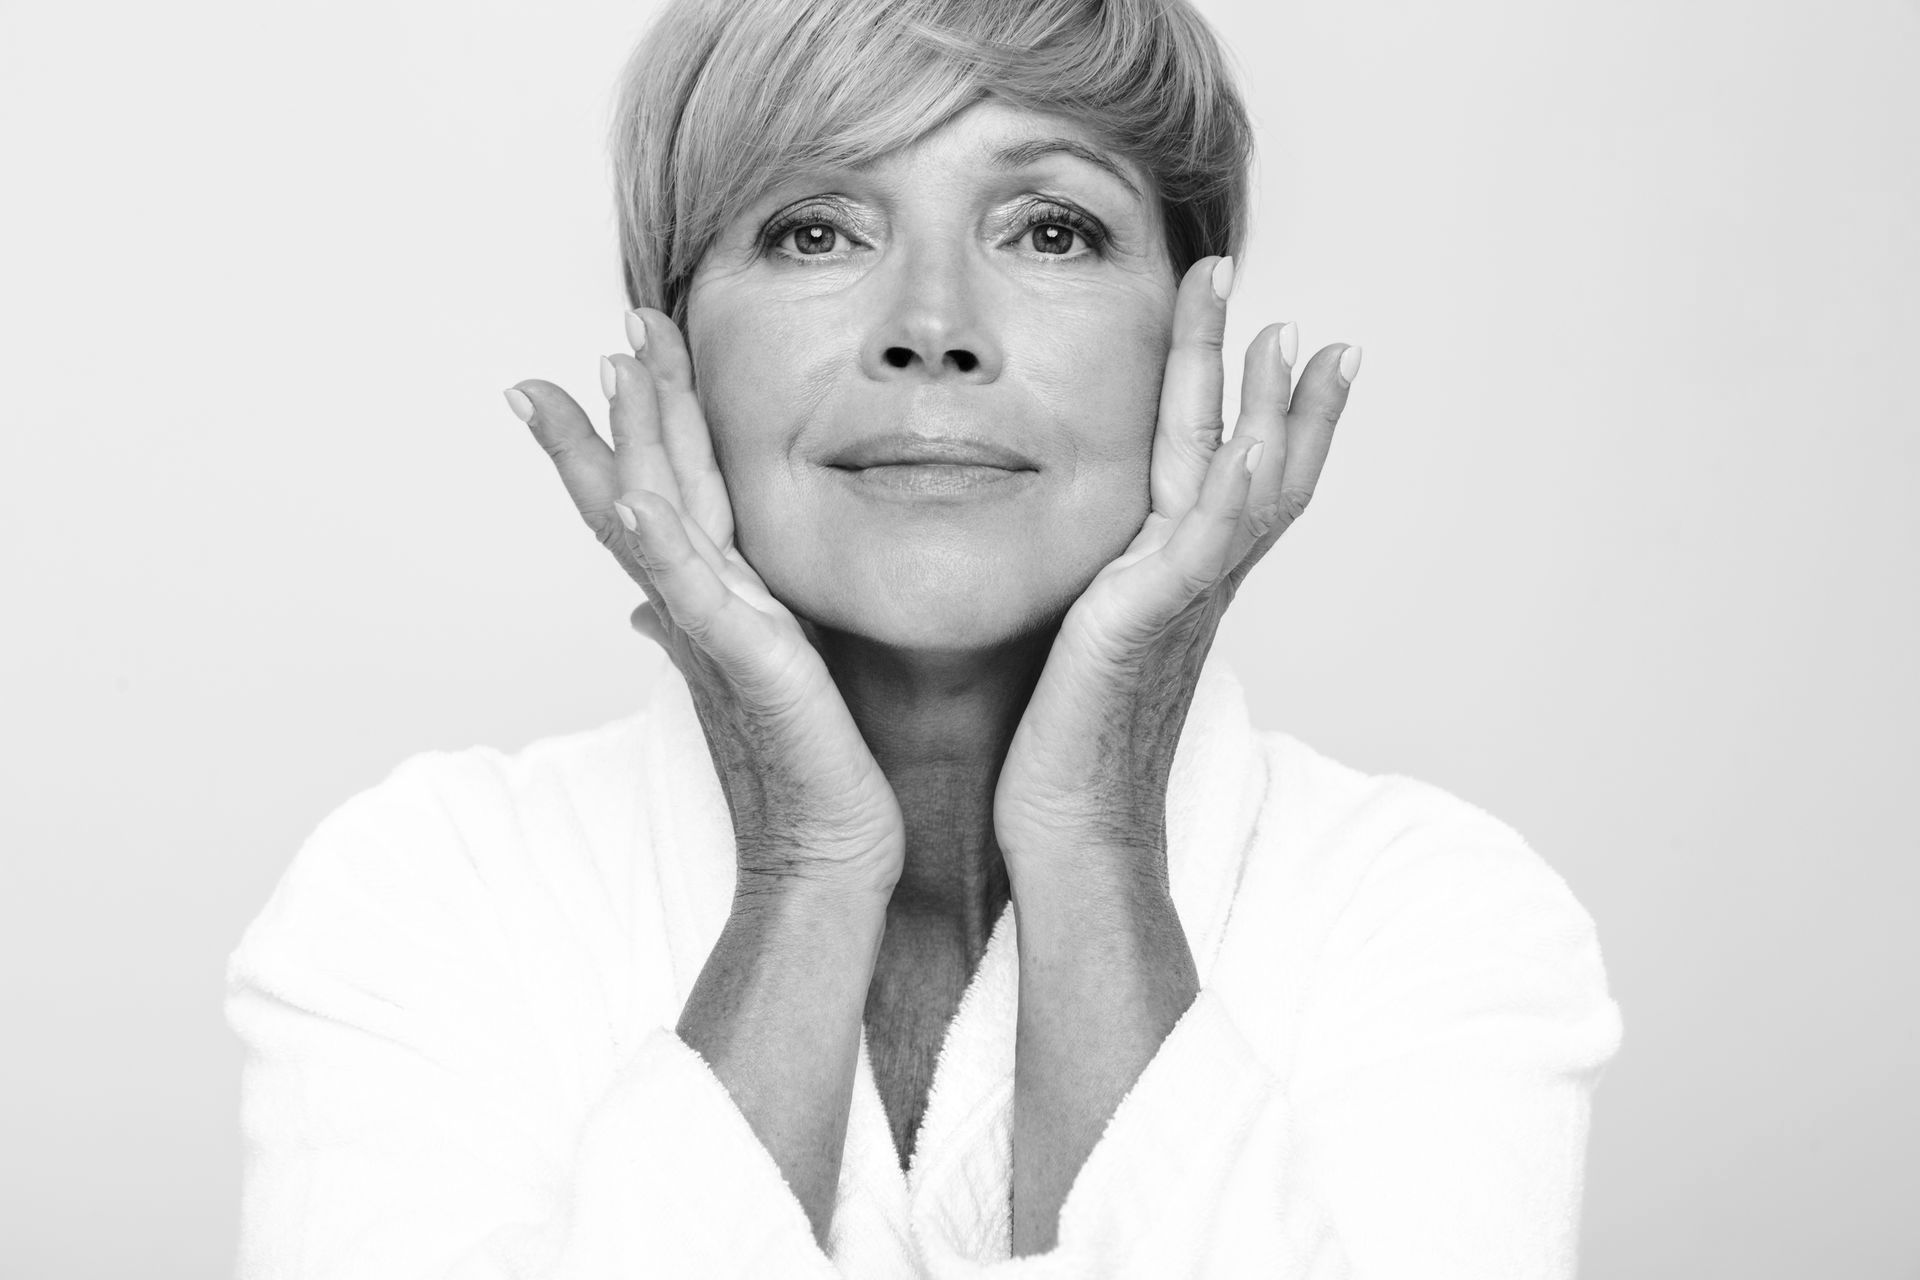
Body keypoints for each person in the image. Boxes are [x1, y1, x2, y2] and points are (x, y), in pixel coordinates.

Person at [225, 0, 1624, 1275]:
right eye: (814, 229)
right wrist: (804, 869)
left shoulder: (1433, 919)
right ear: (674, 352)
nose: (934, 329)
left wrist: (1091, 839)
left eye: (1052, 228)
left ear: (1188, 340)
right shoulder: (425, 900)